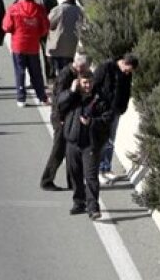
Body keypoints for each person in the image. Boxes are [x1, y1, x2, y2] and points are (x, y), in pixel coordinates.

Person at [58, 67, 114, 219]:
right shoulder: (72, 96)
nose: (87, 85)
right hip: (72, 142)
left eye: (90, 82)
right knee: (75, 175)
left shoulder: (101, 99)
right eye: (84, 83)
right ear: (78, 82)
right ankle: (79, 202)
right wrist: (71, 91)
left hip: (90, 144)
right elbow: (60, 104)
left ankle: (93, 208)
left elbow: (107, 119)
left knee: (90, 177)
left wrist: (92, 122)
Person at [41, 54, 90, 190]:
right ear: (80, 66)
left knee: (70, 151)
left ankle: (73, 182)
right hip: (61, 118)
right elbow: (59, 101)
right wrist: (61, 119)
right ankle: (47, 180)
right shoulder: (66, 76)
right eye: (85, 68)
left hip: (68, 118)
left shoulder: (73, 73)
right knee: (59, 150)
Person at [2, 0, 51, 107]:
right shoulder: (39, 9)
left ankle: (21, 98)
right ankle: (42, 97)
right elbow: (45, 27)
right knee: (36, 72)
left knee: (20, 71)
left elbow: (6, 26)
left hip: (18, 45)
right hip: (33, 45)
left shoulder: (14, 9)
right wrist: (37, 34)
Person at [93, 54, 138, 185]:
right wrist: (100, 105)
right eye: (127, 69)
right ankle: (98, 171)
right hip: (103, 112)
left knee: (110, 141)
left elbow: (126, 90)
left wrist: (123, 108)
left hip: (116, 112)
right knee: (101, 141)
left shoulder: (127, 74)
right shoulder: (106, 68)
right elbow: (94, 85)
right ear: (123, 62)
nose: (127, 73)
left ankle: (106, 168)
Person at [21, 0, 59, 81]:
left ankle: (50, 77)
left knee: (48, 55)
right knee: (31, 56)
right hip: (29, 30)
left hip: (43, 28)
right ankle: (34, 79)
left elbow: (54, 7)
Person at [47, 0, 84, 75]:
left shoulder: (59, 9)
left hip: (56, 46)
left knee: (55, 71)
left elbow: (48, 24)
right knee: (67, 71)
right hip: (71, 47)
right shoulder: (79, 11)